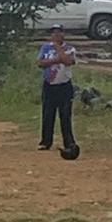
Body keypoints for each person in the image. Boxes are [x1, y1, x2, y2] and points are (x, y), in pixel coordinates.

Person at [38, 25, 79, 158]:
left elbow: (68, 61)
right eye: (53, 33)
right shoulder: (45, 47)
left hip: (64, 85)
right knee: (47, 113)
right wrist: (56, 59)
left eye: (58, 32)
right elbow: (41, 63)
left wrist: (57, 48)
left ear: (63, 34)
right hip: (49, 84)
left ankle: (69, 142)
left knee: (65, 115)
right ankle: (46, 141)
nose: (55, 35)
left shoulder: (69, 48)